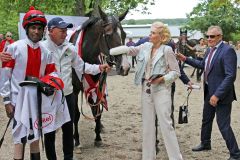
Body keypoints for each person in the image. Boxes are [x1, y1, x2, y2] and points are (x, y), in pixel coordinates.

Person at [110, 21, 183, 160]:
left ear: (161, 36)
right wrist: (111, 49)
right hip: (146, 90)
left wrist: (161, 79)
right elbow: (130, 50)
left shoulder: (167, 50)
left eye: (153, 33)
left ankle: (176, 158)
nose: (150, 35)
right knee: (148, 127)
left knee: (166, 126)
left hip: (162, 91)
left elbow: (176, 72)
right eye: (150, 32)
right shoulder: (144, 46)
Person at [0, 6, 65, 160]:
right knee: (19, 139)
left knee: (35, 137)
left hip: (38, 101)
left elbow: (52, 74)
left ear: (43, 30)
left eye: (39, 28)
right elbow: (5, 76)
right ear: (27, 29)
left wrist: (54, 84)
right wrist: (7, 100)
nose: (36, 31)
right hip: (17, 102)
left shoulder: (46, 52)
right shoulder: (13, 48)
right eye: (33, 28)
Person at [41, 17, 110, 160]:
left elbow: (82, 67)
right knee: (50, 132)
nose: (65, 34)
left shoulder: (70, 48)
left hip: (67, 96)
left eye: (66, 30)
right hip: (49, 97)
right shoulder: (42, 48)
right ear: (51, 31)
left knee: (68, 130)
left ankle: (68, 157)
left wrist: (99, 67)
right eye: (62, 31)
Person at [177, 25, 240, 160]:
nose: (209, 39)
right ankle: (205, 143)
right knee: (206, 120)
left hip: (221, 96)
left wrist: (217, 95)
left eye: (212, 36)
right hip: (208, 92)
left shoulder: (228, 50)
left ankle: (235, 154)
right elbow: (202, 66)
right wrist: (185, 59)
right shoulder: (209, 50)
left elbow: (231, 76)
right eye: (207, 36)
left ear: (220, 37)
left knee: (223, 125)